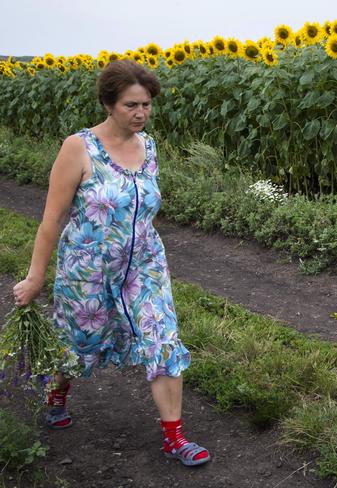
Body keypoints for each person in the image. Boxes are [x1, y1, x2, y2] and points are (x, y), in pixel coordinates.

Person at [12, 59, 210, 467]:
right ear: (108, 104)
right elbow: (51, 220)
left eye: (147, 105)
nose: (141, 114)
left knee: (162, 339)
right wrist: (35, 277)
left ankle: (175, 438)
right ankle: (57, 394)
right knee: (79, 344)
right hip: (88, 267)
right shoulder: (79, 148)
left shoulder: (149, 146)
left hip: (144, 264)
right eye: (131, 106)